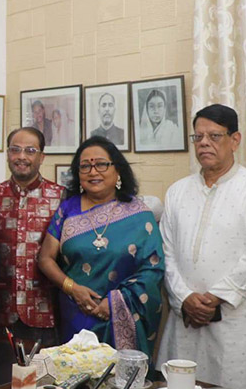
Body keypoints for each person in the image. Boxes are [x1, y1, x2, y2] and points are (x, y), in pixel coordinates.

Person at [157, 104, 246, 389]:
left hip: (236, 323)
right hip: (185, 318)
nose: (204, 144)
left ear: (235, 140)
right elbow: (166, 253)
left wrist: (214, 298)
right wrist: (186, 298)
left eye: (214, 136)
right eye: (198, 137)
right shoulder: (178, 191)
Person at [37, 136, 164, 356]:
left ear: (118, 171)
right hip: (75, 313)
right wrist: (72, 288)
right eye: (85, 166)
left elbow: (152, 269)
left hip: (123, 314)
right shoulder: (67, 209)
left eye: (101, 164)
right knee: (76, 379)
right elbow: (45, 258)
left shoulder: (139, 213)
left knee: (119, 382)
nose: (93, 172)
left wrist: (114, 302)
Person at [0, 128, 64, 343]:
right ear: (7, 154)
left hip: (49, 312)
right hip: (0, 312)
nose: (21, 157)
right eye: (15, 150)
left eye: (30, 150)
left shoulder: (61, 197)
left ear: (42, 157)